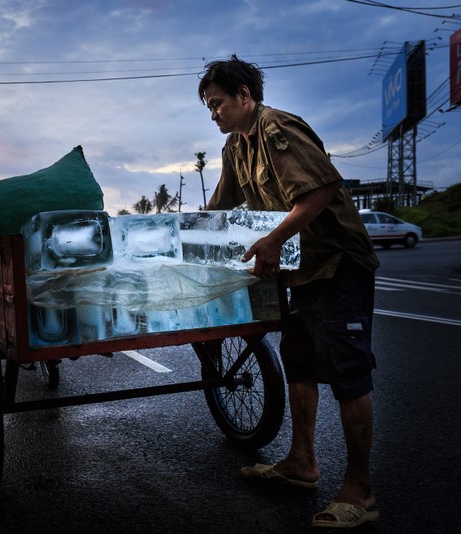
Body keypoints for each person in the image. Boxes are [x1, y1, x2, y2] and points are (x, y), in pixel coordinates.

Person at [197, 56, 380, 529]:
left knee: (348, 371)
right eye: (208, 107)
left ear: (244, 95)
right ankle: (301, 463)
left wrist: (274, 239)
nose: (213, 113)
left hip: (336, 262)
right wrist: (186, 238)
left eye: (217, 103)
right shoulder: (237, 147)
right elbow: (222, 203)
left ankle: (361, 491)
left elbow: (320, 189)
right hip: (300, 273)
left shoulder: (277, 127)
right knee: (299, 363)